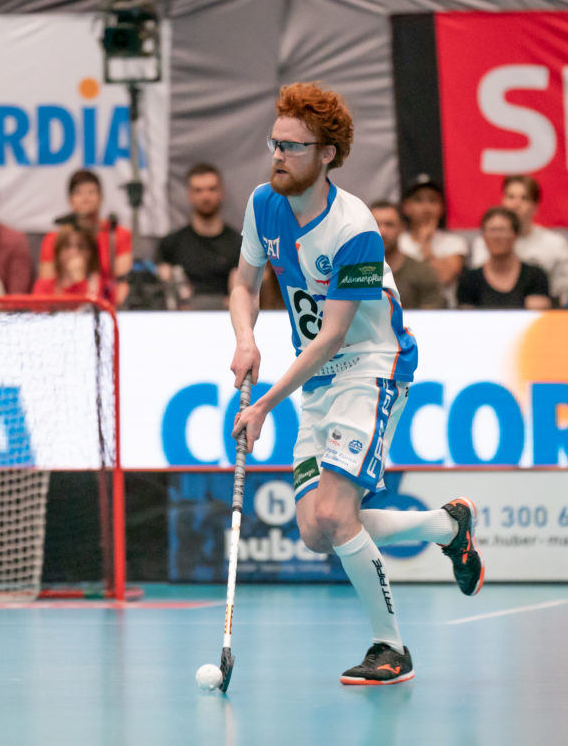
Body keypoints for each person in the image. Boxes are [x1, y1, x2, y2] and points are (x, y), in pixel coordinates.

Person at [228, 82, 483, 687]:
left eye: (292, 146)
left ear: (328, 155)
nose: (278, 155)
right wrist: (245, 338)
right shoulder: (262, 204)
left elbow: (334, 335)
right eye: (274, 142)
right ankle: (448, 527)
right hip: (316, 380)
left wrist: (265, 404)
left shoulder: (354, 228)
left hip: (372, 366)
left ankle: (390, 648)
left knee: (337, 513)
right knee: (317, 531)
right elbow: (242, 283)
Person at [469, 174, 568, 305]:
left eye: (524, 198)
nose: (516, 204)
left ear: (535, 206)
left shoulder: (556, 244)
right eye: (511, 197)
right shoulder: (486, 241)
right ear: (502, 201)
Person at [36, 169, 132, 305]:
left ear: (101, 197)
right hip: (61, 301)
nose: (85, 198)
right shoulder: (54, 239)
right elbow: (45, 286)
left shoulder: (116, 234)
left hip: (103, 301)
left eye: (91, 192)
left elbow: (123, 284)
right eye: (79, 192)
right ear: (70, 199)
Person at [156, 163, 242, 309]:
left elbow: (241, 296)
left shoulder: (239, 244)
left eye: (212, 189)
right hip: (182, 318)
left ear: (222, 193)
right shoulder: (171, 244)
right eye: (198, 190)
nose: (205, 196)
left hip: (227, 318)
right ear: (189, 195)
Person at [457, 207, 553, 309]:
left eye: (502, 230)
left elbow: (536, 315)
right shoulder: (469, 280)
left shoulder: (535, 276)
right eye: (492, 230)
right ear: (483, 236)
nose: (497, 236)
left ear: (516, 235)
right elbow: (466, 316)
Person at [397, 173, 467, 305]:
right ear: (406, 207)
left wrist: (425, 244)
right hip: (403, 309)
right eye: (418, 200)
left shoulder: (455, 242)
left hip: (442, 311)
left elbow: (443, 278)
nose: (426, 207)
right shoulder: (397, 242)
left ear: (442, 208)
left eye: (432, 200)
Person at [369, 200, 443, 309]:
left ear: (402, 227)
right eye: (375, 224)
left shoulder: (423, 272)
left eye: (389, 225)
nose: (382, 231)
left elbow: (431, 316)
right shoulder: (352, 273)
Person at [31, 226, 104, 299]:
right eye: (67, 246)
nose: (73, 252)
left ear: (91, 253)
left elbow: (86, 304)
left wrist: (79, 281)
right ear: (58, 251)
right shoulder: (44, 286)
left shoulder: (95, 284)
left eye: (81, 247)